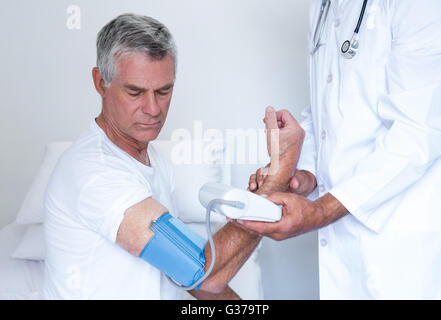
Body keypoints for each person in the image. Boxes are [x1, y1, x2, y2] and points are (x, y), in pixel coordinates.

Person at [43, 13, 301, 300]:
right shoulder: (94, 172)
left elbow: (182, 268)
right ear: (100, 81)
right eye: (135, 92)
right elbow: (203, 273)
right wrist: (278, 175)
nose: (153, 109)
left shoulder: (151, 157)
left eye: (164, 91)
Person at [241, 0, 441, 299]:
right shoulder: (323, 5)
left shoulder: (420, 6)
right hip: (341, 244)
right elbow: (326, 112)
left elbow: (418, 132)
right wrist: (303, 175)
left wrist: (320, 210)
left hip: (403, 246)